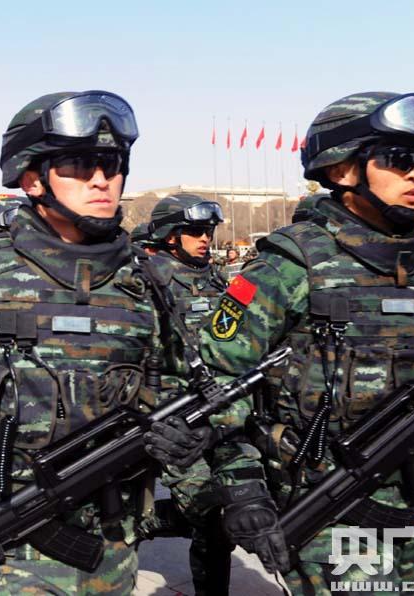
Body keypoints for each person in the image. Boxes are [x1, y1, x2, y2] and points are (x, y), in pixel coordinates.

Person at [0, 90, 210, 593]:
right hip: (8, 545)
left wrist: (187, 437)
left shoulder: (148, 284)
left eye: (112, 164)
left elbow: (176, 387)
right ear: (32, 179)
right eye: (79, 165)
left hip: (114, 543)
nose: (102, 179)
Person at [189, 91, 414, 593]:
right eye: (398, 160)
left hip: (405, 497)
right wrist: (243, 489)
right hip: (325, 501)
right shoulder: (290, 265)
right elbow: (218, 383)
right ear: (341, 169)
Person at [144, 193, 232, 595]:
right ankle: (141, 519)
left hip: (220, 409)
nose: (205, 239)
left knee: (229, 510)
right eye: (195, 231)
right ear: (170, 235)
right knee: (209, 512)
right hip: (172, 413)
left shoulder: (217, 277)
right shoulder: (149, 279)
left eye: (208, 231)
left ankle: (143, 518)